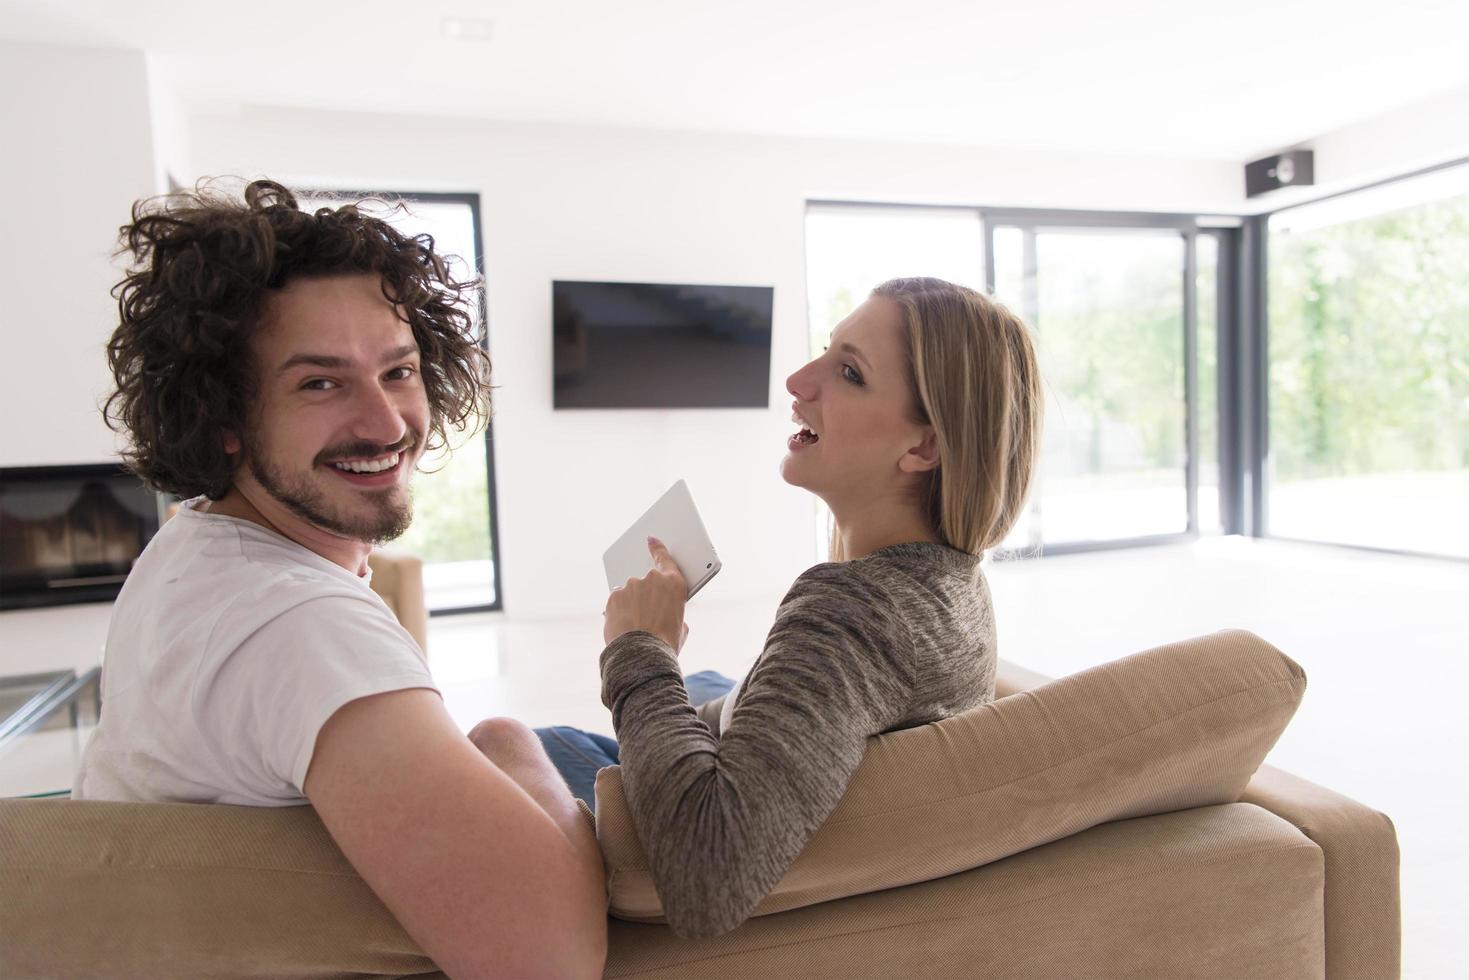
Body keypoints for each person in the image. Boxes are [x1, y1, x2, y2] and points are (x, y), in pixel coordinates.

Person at [76, 179, 607, 979]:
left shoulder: (193, 539)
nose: (388, 424)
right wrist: (504, 746)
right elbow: (547, 959)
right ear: (221, 418)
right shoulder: (299, 627)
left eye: (398, 371)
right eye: (319, 383)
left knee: (673, 716)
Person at [540, 276, 1042, 939]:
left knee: (524, 743)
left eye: (848, 372)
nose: (798, 382)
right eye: (826, 351)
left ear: (922, 448)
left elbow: (708, 874)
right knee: (707, 685)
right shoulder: (952, 576)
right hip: (734, 737)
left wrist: (639, 646)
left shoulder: (855, 610)